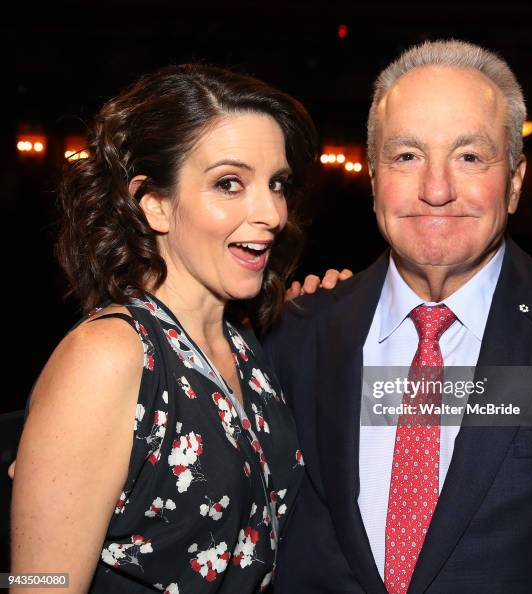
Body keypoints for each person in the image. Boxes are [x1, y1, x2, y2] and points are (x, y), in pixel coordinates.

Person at [263, 39, 532, 593]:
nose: (436, 189)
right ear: (375, 178)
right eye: (407, 156)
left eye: (469, 156)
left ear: (516, 181)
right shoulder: (291, 336)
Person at [10, 63, 323, 593]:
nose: (270, 211)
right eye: (230, 183)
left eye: (276, 184)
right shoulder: (109, 355)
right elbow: (37, 583)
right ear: (154, 203)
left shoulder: (243, 346)